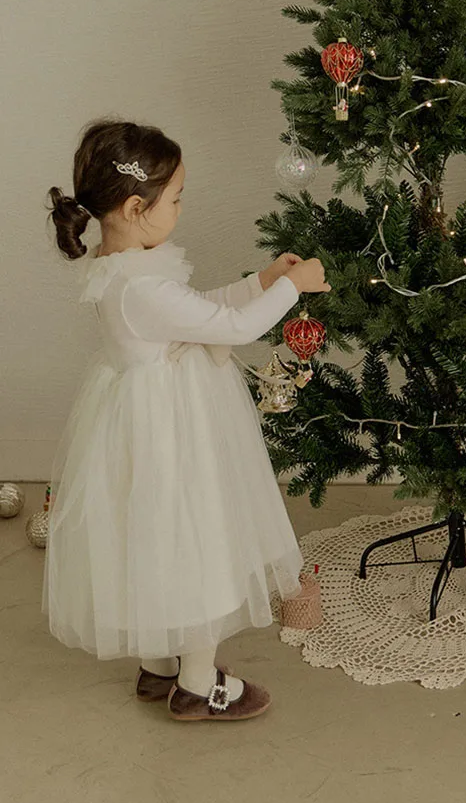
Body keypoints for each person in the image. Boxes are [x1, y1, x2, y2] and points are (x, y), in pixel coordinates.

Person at [44, 118, 330, 721]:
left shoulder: (123, 267)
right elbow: (233, 328)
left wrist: (262, 280)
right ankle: (198, 683)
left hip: (143, 420)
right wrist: (294, 289)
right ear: (135, 207)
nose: (181, 208)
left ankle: (159, 661)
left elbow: (199, 310)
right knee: (197, 543)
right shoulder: (139, 288)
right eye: (175, 198)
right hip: (174, 432)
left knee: (154, 540)